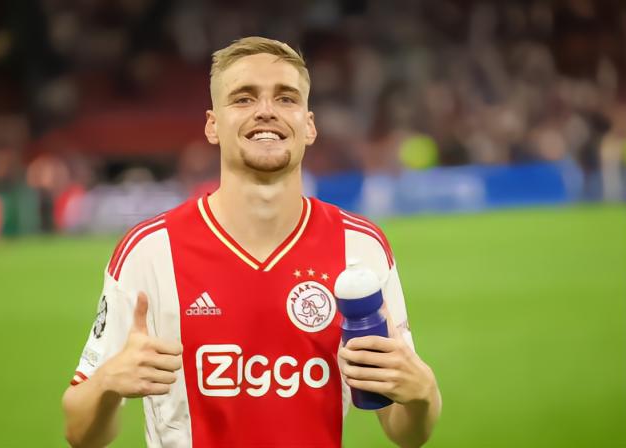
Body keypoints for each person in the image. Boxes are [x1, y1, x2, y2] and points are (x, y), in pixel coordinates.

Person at [62, 36, 441, 448]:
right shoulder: (149, 251)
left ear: (309, 125)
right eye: (243, 99)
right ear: (212, 125)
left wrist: (423, 394)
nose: (265, 111)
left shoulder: (361, 248)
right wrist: (107, 384)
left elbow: (405, 431)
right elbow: (80, 434)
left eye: (286, 98)